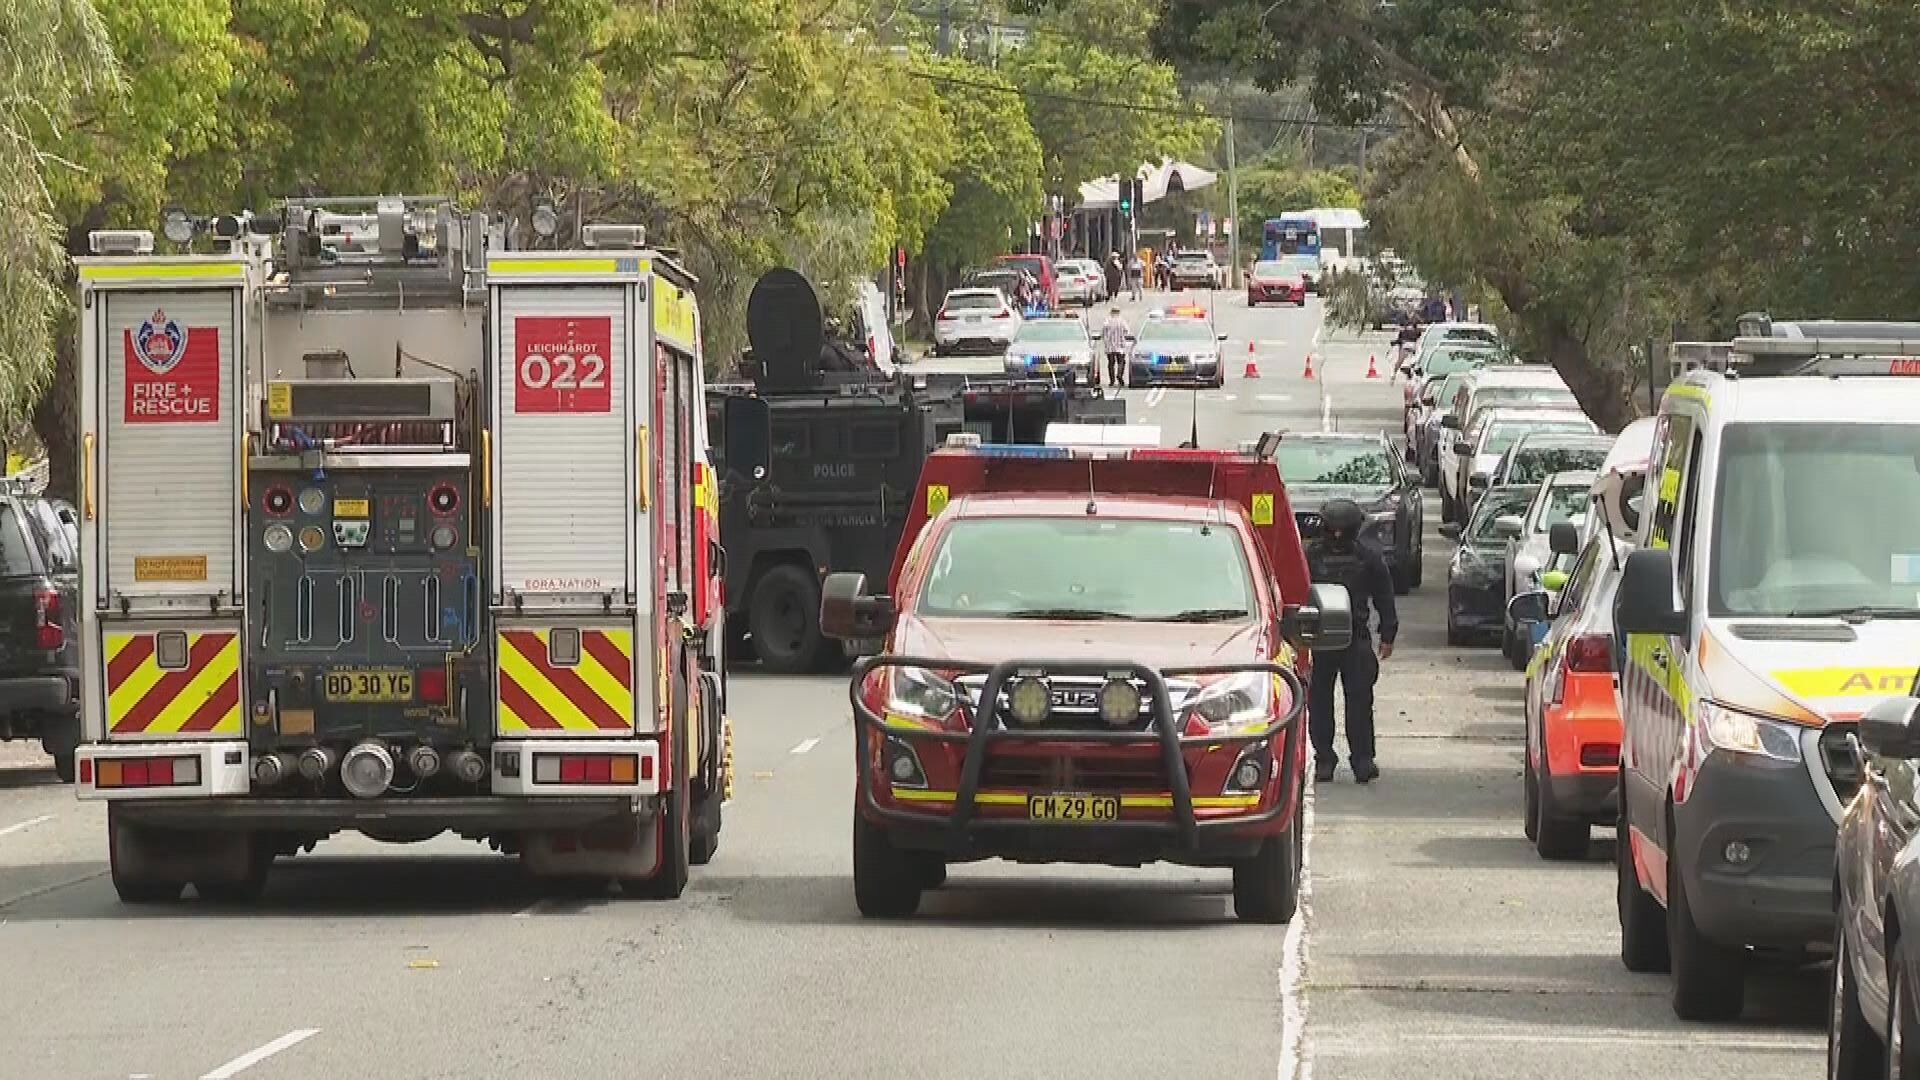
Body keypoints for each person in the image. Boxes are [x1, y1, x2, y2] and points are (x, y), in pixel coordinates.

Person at [1305, 498, 1397, 784]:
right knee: (1320, 701)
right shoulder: (1311, 557)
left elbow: (1384, 595)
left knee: (1358, 702)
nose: (1335, 537)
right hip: (1320, 640)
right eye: (1332, 530)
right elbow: (1293, 591)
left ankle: (1361, 759)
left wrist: (1388, 633)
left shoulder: (1367, 557)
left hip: (1353, 637)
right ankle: (1325, 758)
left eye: (1340, 531)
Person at [1100, 307, 1130, 388]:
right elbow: (1127, 331)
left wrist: (1105, 339)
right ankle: (1119, 375)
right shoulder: (1122, 321)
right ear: (1119, 312)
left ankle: (1112, 381)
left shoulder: (1107, 321)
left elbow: (1103, 332)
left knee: (1111, 363)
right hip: (1120, 346)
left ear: (1111, 312)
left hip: (1110, 346)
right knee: (1121, 362)